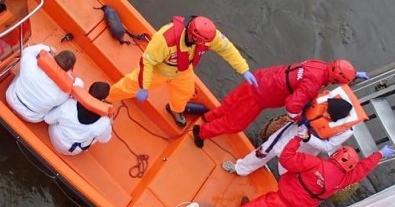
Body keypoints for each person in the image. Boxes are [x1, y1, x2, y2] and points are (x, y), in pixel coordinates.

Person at [203, 129, 395, 207]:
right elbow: (363, 169)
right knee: (263, 206)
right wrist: (380, 154)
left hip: (282, 199)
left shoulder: (316, 163)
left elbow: (286, 158)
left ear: (336, 155)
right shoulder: (346, 178)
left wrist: (297, 139)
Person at [107, 15, 257, 128]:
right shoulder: (165, 39)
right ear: (194, 36)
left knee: (186, 92)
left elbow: (227, 49)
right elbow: (147, 62)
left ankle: (175, 109)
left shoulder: (210, 36)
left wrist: (243, 69)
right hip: (157, 71)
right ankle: (106, 99)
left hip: (182, 71)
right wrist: (144, 86)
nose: (208, 45)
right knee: (129, 86)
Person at [193, 58, 370, 147]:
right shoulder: (312, 84)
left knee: (230, 103)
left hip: (260, 78)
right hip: (261, 95)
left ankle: (208, 116)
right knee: (235, 123)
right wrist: (299, 120)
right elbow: (292, 105)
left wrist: (354, 75)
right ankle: (201, 132)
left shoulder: (319, 65)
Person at [223, 94, 362, 176]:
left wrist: (308, 138)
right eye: (325, 109)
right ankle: (240, 168)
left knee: (286, 172)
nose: (324, 112)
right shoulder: (325, 101)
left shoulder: (345, 131)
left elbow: (328, 146)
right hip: (291, 132)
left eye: (328, 113)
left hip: (305, 148)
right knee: (264, 150)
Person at [6, 44, 82, 123]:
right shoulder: (64, 93)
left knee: (23, 67)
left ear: (54, 57)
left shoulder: (31, 64)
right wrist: (73, 78)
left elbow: (28, 51)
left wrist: (49, 48)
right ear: (69, 70)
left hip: (11, 98)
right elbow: (78, 87)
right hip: (31, 117)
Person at [45, 82, 113, 155]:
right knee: (99, 133)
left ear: (89, 91)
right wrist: (110, 123)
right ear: (104, 99)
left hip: (54, 135)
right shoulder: (104, 122)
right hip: (71, 150)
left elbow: (48, 120)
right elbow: (104, 140)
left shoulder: (70, 103)